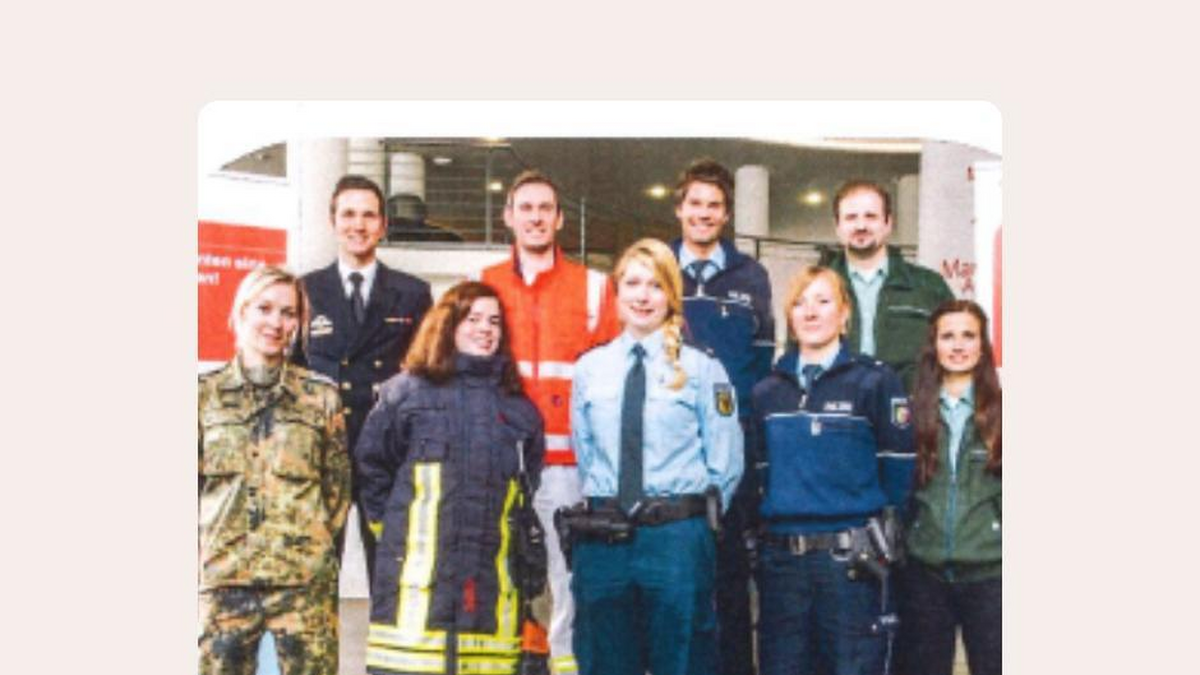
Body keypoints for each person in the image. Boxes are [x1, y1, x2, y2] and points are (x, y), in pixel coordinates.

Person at [568, 238, 744, 675]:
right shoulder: (590, 369)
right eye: (632, 284)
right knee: (604, 661)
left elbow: (725, 463)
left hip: (675, 539)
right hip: (604, 539)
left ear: (671, 296)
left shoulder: (703, 369)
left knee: (683, 661)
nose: (643, 296)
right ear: (616, 292)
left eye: (656, 285)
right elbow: (586, 453)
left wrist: (690, 525)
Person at [355, 281, 546, 675]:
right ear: (447, 325)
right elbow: (371, 467)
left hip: (491, 594)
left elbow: (527, 490)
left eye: (494, 321)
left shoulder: (520, 411)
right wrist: (391, 531)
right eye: (472, 319)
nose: (485, 329)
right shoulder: (404, 395)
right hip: (413, 594)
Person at [479, 169, 621, 675]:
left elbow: (612, 382)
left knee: (567, 585)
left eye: (545, 209)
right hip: (499, 464)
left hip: (567, 467)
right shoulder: (484, 284)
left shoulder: (595, 288)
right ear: (508, 216)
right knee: (499, 578)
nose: (535, 217)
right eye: (526, 208)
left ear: (560, 219)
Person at [752, 266, 914, 675]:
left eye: (823, 301)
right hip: (783, 565)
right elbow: (760, 476)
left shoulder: (874, 381)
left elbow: (897, 475)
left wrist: (880, 540)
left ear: (844, 314)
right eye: (800, 303)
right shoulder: (767, 391)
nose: (810, 312)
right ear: (789, 317)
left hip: (851, 566)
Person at [199, 265, 352, 675]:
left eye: (288, 313)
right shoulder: (203, 398)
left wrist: (311, 554)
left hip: (303, 586)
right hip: (224, 582)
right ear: (241, 312)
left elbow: (337, 496)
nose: (276, 323)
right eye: (264, 309)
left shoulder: (320, 399)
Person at [296, 174, 433, 581]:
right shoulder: (305, 290)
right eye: (349, 214)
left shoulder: (413, 293)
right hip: (324, 452)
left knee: (391, 574)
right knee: (316, 574)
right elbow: (293, 375)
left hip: (387, 453)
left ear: (383, 225)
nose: (358, 225)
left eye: (369, 215)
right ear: (332, 221)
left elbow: (427, 378)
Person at [668, 159, 772, 675]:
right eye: (695, 204)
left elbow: (762, 364)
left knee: (731, 579)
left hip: (734, 451)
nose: (704, 214)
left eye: (714, 206)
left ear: (727, 214)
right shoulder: (658, 267)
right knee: (675, 579)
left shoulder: (752, 276)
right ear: (679, 208)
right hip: (670, 450)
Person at [896, 300, 1001, 675]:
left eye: (968, 336)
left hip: (991, 575)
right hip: (926, 575)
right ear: (934, 345)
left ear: (982, 346)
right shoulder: (911, 411)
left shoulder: (1004, 411)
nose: (958, 346)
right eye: (948, 336)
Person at [825, 180, 954, 391]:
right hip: (835, 407)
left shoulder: (929, 286)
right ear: (837, 227)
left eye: (870, 216)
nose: (861, 226)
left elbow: (956, 356)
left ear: (888, 223)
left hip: (911, 406)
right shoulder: (816, 289)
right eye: (851, 217)